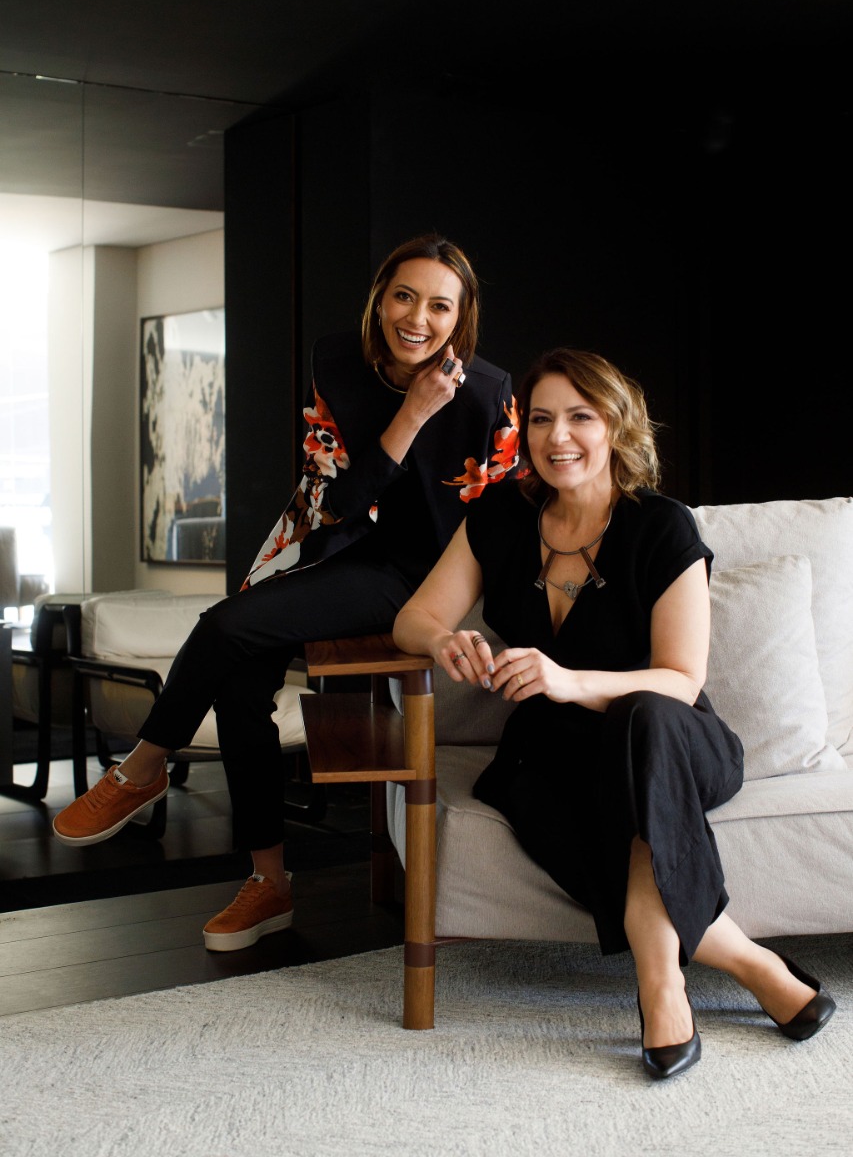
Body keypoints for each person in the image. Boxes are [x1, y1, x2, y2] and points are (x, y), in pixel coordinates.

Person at [53, 233, 520, 952]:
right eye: (404, 297)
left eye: (439, 306)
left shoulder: (487, 394)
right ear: (380, 299)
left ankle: (144, 765)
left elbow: (497, 523)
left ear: (462, 317)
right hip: (324, 542)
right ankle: (268, 882)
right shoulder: (335, 363)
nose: (417, 319)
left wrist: (425, 413)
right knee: (240, 674)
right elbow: (334, 502)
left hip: (419, 575)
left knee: (222, 626)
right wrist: (407, 416)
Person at [392, 346, 836, 1080]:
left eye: (580, 417)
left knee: (640, 719)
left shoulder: (661, 527)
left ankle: (659, 984)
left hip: (674, 739)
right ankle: (751, 963)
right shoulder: (501, 516)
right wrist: (444, 640)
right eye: (540, 419)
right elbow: (413, 619)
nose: (557, 436)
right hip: (554, 755)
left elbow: (680, 680)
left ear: (616, 426)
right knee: (605, 798)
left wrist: (566, 680)